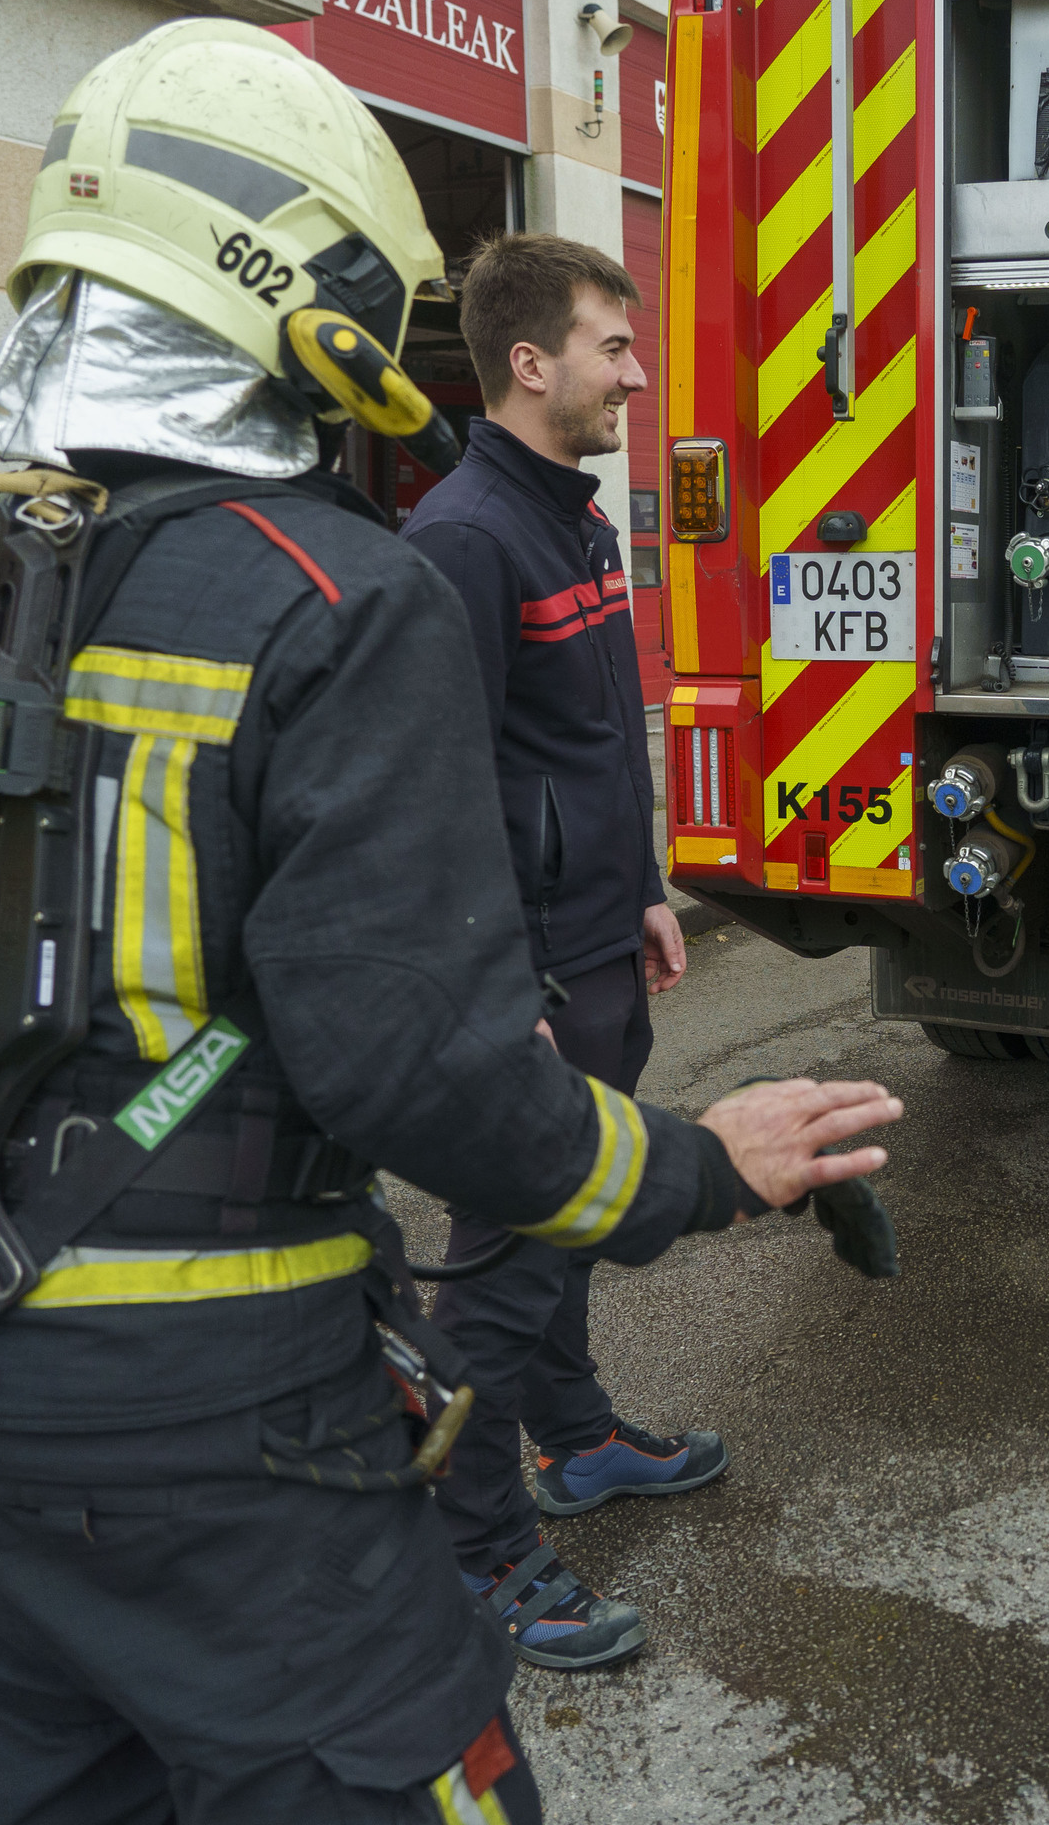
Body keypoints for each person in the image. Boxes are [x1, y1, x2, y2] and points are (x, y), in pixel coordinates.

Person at [0, 18, 901, 1825]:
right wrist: (695, 1165)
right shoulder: (331, 594)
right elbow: (410, 1065)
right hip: (219, 1419)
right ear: (310, 295)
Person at [399, 233, 707, 1671]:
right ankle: (473, 1546)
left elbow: (590, 738)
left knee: (569, 1226)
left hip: (596, 942)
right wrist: (497, 989)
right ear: (532, 364)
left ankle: (577, 1443)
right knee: (504, 1264)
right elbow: (437, 789)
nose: (635, 376)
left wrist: (644, 883)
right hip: (526, 980)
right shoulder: (462, 538)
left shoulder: (573, 519)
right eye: (613, 348)